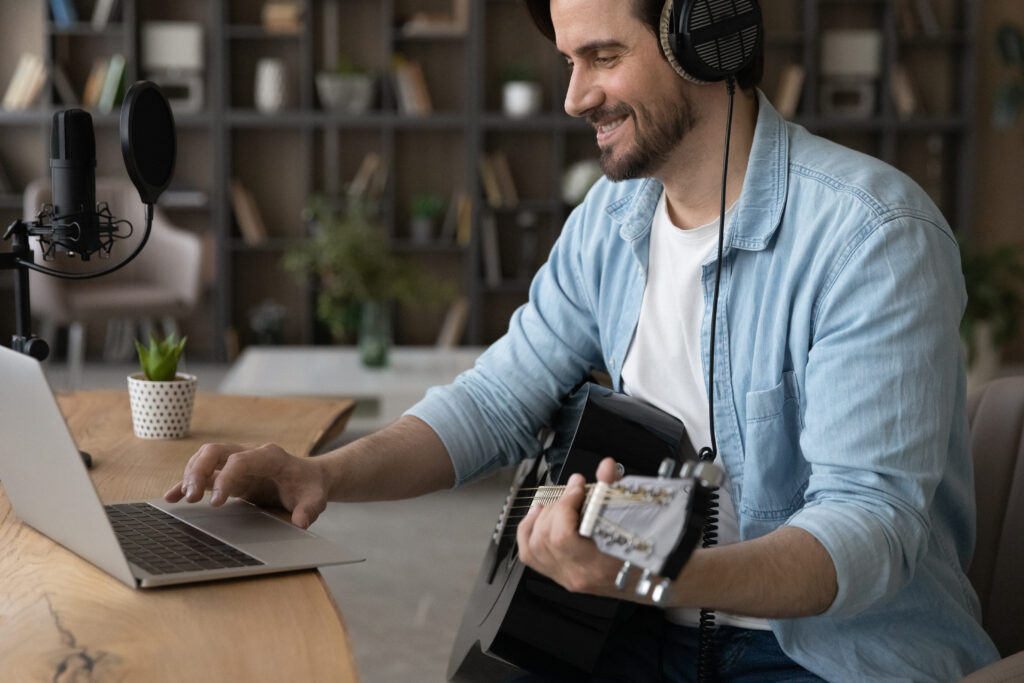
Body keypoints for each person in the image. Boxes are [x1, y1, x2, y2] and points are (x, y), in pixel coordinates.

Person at [167, 0, 1000, 680]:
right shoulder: (610, 221)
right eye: (570, 61)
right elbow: (495, 400)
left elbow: (868, 530)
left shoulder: (872, 236)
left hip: (830, 654)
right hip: (630, 624)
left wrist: (652, 570)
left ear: (705, 36)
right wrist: (321, 473)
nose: (574, 97)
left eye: (602, 57)